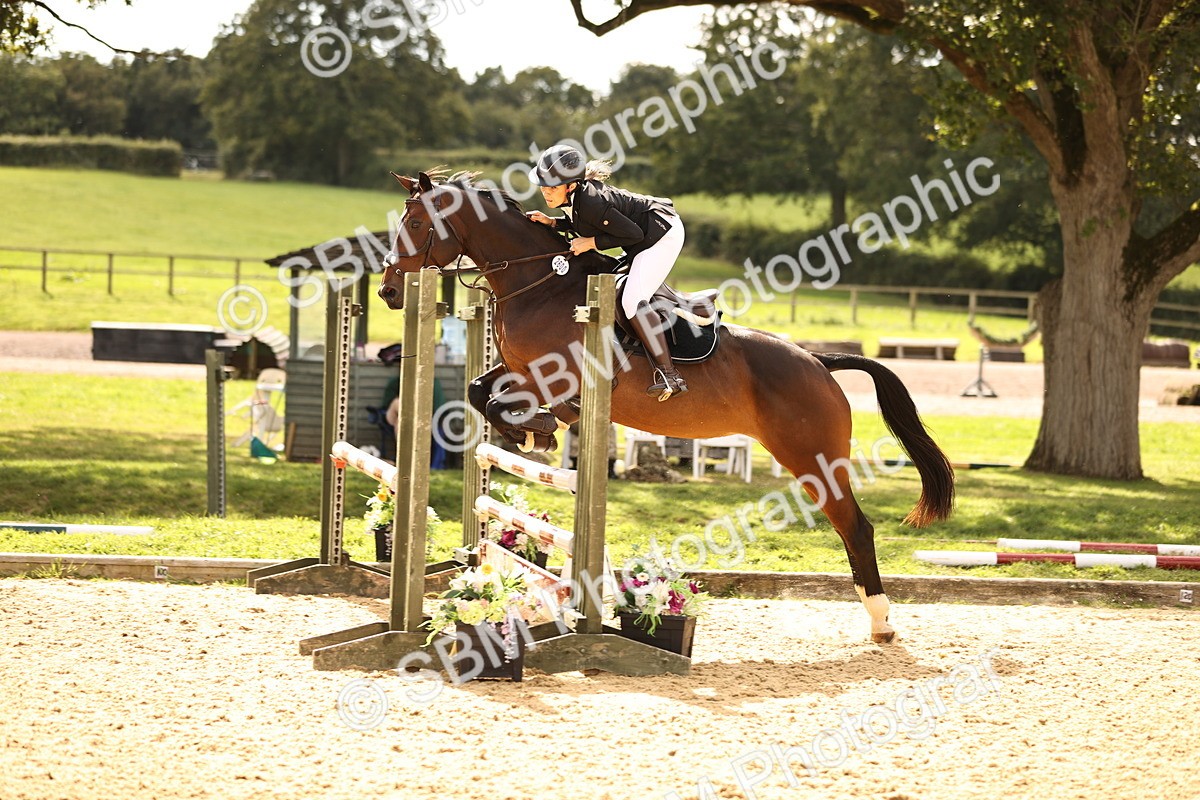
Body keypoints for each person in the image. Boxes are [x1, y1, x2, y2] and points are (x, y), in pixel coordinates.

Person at [526, 144, 688, 401]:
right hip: (644, 235)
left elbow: (632, 233)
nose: (546, 191)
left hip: (662, 234)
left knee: (631, 301)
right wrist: (553, 222)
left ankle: (669, 374)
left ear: (571, 185)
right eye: (543, 185)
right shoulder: (577, 198)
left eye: (553, 187)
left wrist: (590, 243)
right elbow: (583, 221)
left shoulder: (590, 201)